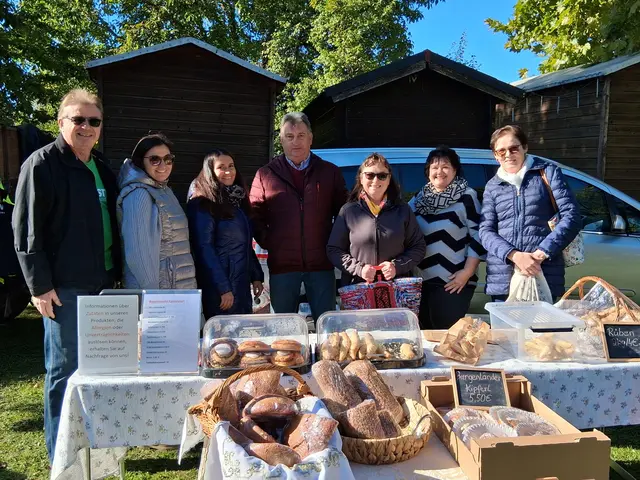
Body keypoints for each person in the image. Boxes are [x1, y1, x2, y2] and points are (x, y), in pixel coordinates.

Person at [12, 89, 121, 462]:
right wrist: (39, 286)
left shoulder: (102, 168)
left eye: (94, 121)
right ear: (61, 122)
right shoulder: (41, 165)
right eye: (78, 119)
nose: (86, 127)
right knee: (64, 370)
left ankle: (92, 446)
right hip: (64, 288)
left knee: (101, 368)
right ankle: (61, 454)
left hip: (103, 285)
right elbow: (27, 232)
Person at [250, 112, 347, 319]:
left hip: (321, 265)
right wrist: (272, 242)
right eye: (290, 136)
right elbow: (254, 215)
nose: (296, 142)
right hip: (283, 267)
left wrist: (333, 244)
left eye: (301, 136)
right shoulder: (265, 174)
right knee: (284, 330)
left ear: (310, 138)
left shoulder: (330, 172)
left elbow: (344, 214)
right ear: (281, 140)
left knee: (327, 327)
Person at [479, 125, 581, 302]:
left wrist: (540, 255)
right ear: (495, 155)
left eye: (513, 148)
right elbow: (485, 231)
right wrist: (515, 256)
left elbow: (571, 216)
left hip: (543, 272)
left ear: (525, 147)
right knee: (506, 330)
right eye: (501, 151)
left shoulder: (548, 173)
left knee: (545, 329)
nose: (508, 155)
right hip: (504, 278)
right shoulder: (492, 186)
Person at [408, 147, 486, 329]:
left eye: (445, 167)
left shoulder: (467, 196)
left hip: (454, 281)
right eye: (434, 167)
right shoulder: (418, 199)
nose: (439, 172)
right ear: (428, 171)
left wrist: (467, 273)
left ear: (455, 170)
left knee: (445, 335)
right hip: (421, 282)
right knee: (424, 336)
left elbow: (479, 235)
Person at [327, 153, 426, 287]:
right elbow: (334, 249)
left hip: (397, 290)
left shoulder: (403, 210)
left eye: (382, 176)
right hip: (358, 289)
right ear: (361, 178)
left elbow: (418, 247)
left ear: (389, 179)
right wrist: (359, 269)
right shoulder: (348, 211)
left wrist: (396, 266)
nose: (376, 180)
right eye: (370, 175)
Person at [187, 149, 264, 319]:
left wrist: (256, 275)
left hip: (240, 284)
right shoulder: (203, 204)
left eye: (231, 166)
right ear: (210, 172)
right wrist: (223, 288)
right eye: (221, 167)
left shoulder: (236, 201)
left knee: (241, 337)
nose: (228, 171)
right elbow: (204, 249)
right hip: (222, 288)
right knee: (222, 341)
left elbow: (244, 244)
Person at [116, 133, 196, 290]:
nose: (163, 166)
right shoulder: (138, 195)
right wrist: (153, 297)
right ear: (140, 161)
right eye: (154, 160)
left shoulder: (163, 190)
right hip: (158, 293)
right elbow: (139, 255)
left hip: (174, 288)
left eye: (168, 159)